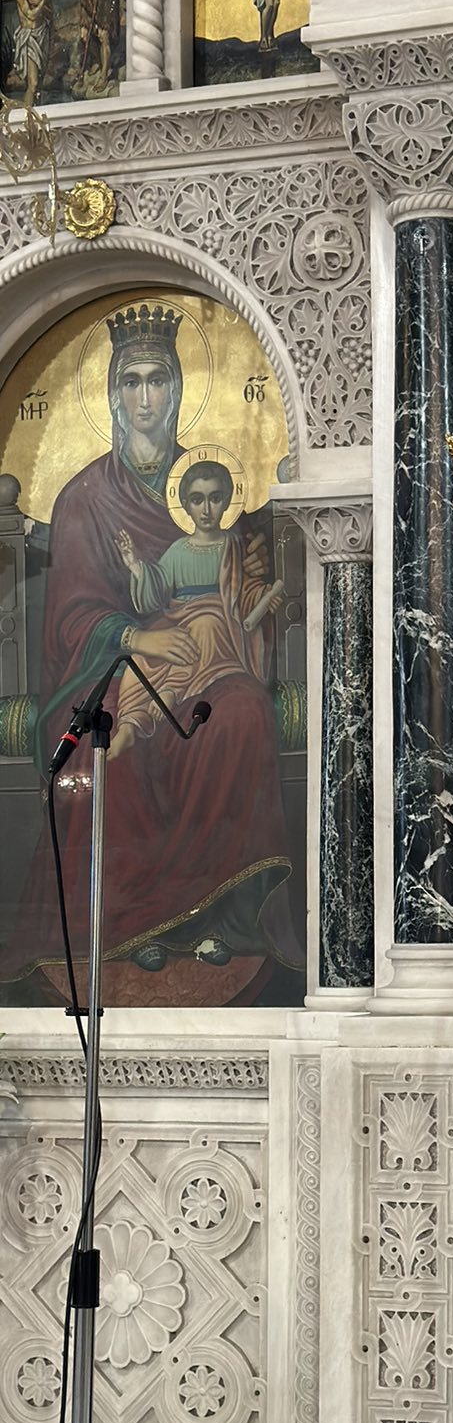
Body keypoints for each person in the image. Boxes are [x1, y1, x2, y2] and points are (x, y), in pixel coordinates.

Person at [0, 303, 301, 995]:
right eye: (130, 382)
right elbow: (69, 618)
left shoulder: (212, 490)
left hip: (213, 658)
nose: (144, 398)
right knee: (102, 742)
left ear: (178, 389)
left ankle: (225, 919)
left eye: (157, 380)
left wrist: (247, 592)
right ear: (111, 394)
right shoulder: (83, 498)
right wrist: (137, 635)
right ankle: (133, 925)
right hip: (110, 666)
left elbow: (243, 587)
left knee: (243, 714)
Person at [109, 457, 281, 761]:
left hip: (222, 627)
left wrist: (263, 597)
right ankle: (130, 724)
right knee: (141, 660)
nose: (206, 509)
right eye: (197, 499)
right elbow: (157, 593)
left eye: (214, 498)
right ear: (186, 505)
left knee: (206, 624)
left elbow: (244, 593)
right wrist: (136, 566)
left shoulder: (234, 547)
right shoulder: (178, 551)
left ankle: (171, 691)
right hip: (179, 620)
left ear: (226, 501)